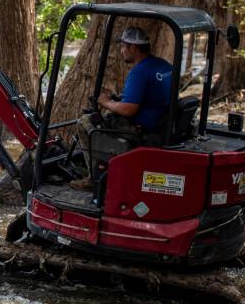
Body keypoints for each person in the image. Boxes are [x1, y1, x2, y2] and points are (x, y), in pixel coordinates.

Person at [73, 26, 172, 189]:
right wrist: (115, 101)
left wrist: (105, 102)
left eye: (123, 47)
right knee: (107, 114)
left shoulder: (139, 72)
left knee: (85, 122)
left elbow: (128, 109)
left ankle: (93, 178)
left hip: (140, 129)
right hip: (160, 121)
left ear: (133, 48)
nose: (121, 51)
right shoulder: (163, 66)